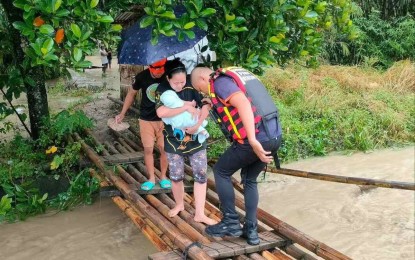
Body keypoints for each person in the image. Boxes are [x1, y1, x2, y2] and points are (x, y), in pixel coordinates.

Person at [191, 66, 282, 245]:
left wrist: (253, 140)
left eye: (200, 89)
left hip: (255, 139)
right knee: (249, 179)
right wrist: (211, 101)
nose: (203, 91)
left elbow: (243, 104)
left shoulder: (219, 82)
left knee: (221, 170)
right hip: (273, 136)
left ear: (203, 78)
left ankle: (230, 222)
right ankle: (251, 230)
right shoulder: (233, 77)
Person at [155, 58, 217, 225]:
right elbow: (161, 112)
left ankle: (200, 214)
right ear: (168, 78)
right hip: (173, 141)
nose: (180, 86)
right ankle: (179, 204)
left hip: (196, 139)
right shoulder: (162, 90)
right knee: (176, 176)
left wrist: (197, 124)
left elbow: (207, 104)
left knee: (201, 175)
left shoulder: (192, 84)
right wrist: (186, 107)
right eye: (176, 83)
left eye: (183, 81)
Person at [115, 58, 170, 191]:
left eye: (161, 70)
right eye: (156, 71)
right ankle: (151, 178)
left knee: (164, 149)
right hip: (146, 120)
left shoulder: (169, 75)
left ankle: (163, 177)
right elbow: (131, 94)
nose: (159, 74)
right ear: (150, 67)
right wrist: (122, 113)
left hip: (165, 119)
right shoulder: (142, 76)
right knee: (148, 149)